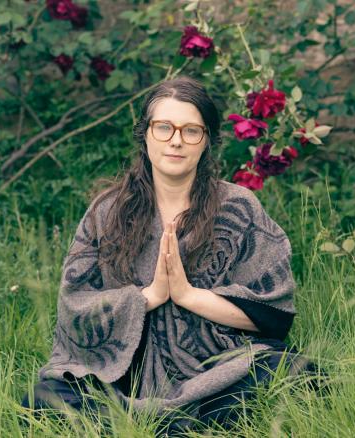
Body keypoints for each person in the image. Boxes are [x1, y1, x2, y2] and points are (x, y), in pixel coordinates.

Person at [21, 76, 326, 434]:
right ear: (145, 134)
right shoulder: (106, 212)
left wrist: (187, 295)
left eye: (191, 130)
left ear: (207, 141)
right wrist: (147, 297)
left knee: (295, 376)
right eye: (164, 127)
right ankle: (168, 423)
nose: (176, 140)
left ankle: (162, 423)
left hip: (217, 372)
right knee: (42, 399)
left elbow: (274, 316)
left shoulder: (239, 208)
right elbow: (75, 311)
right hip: (123, 378)